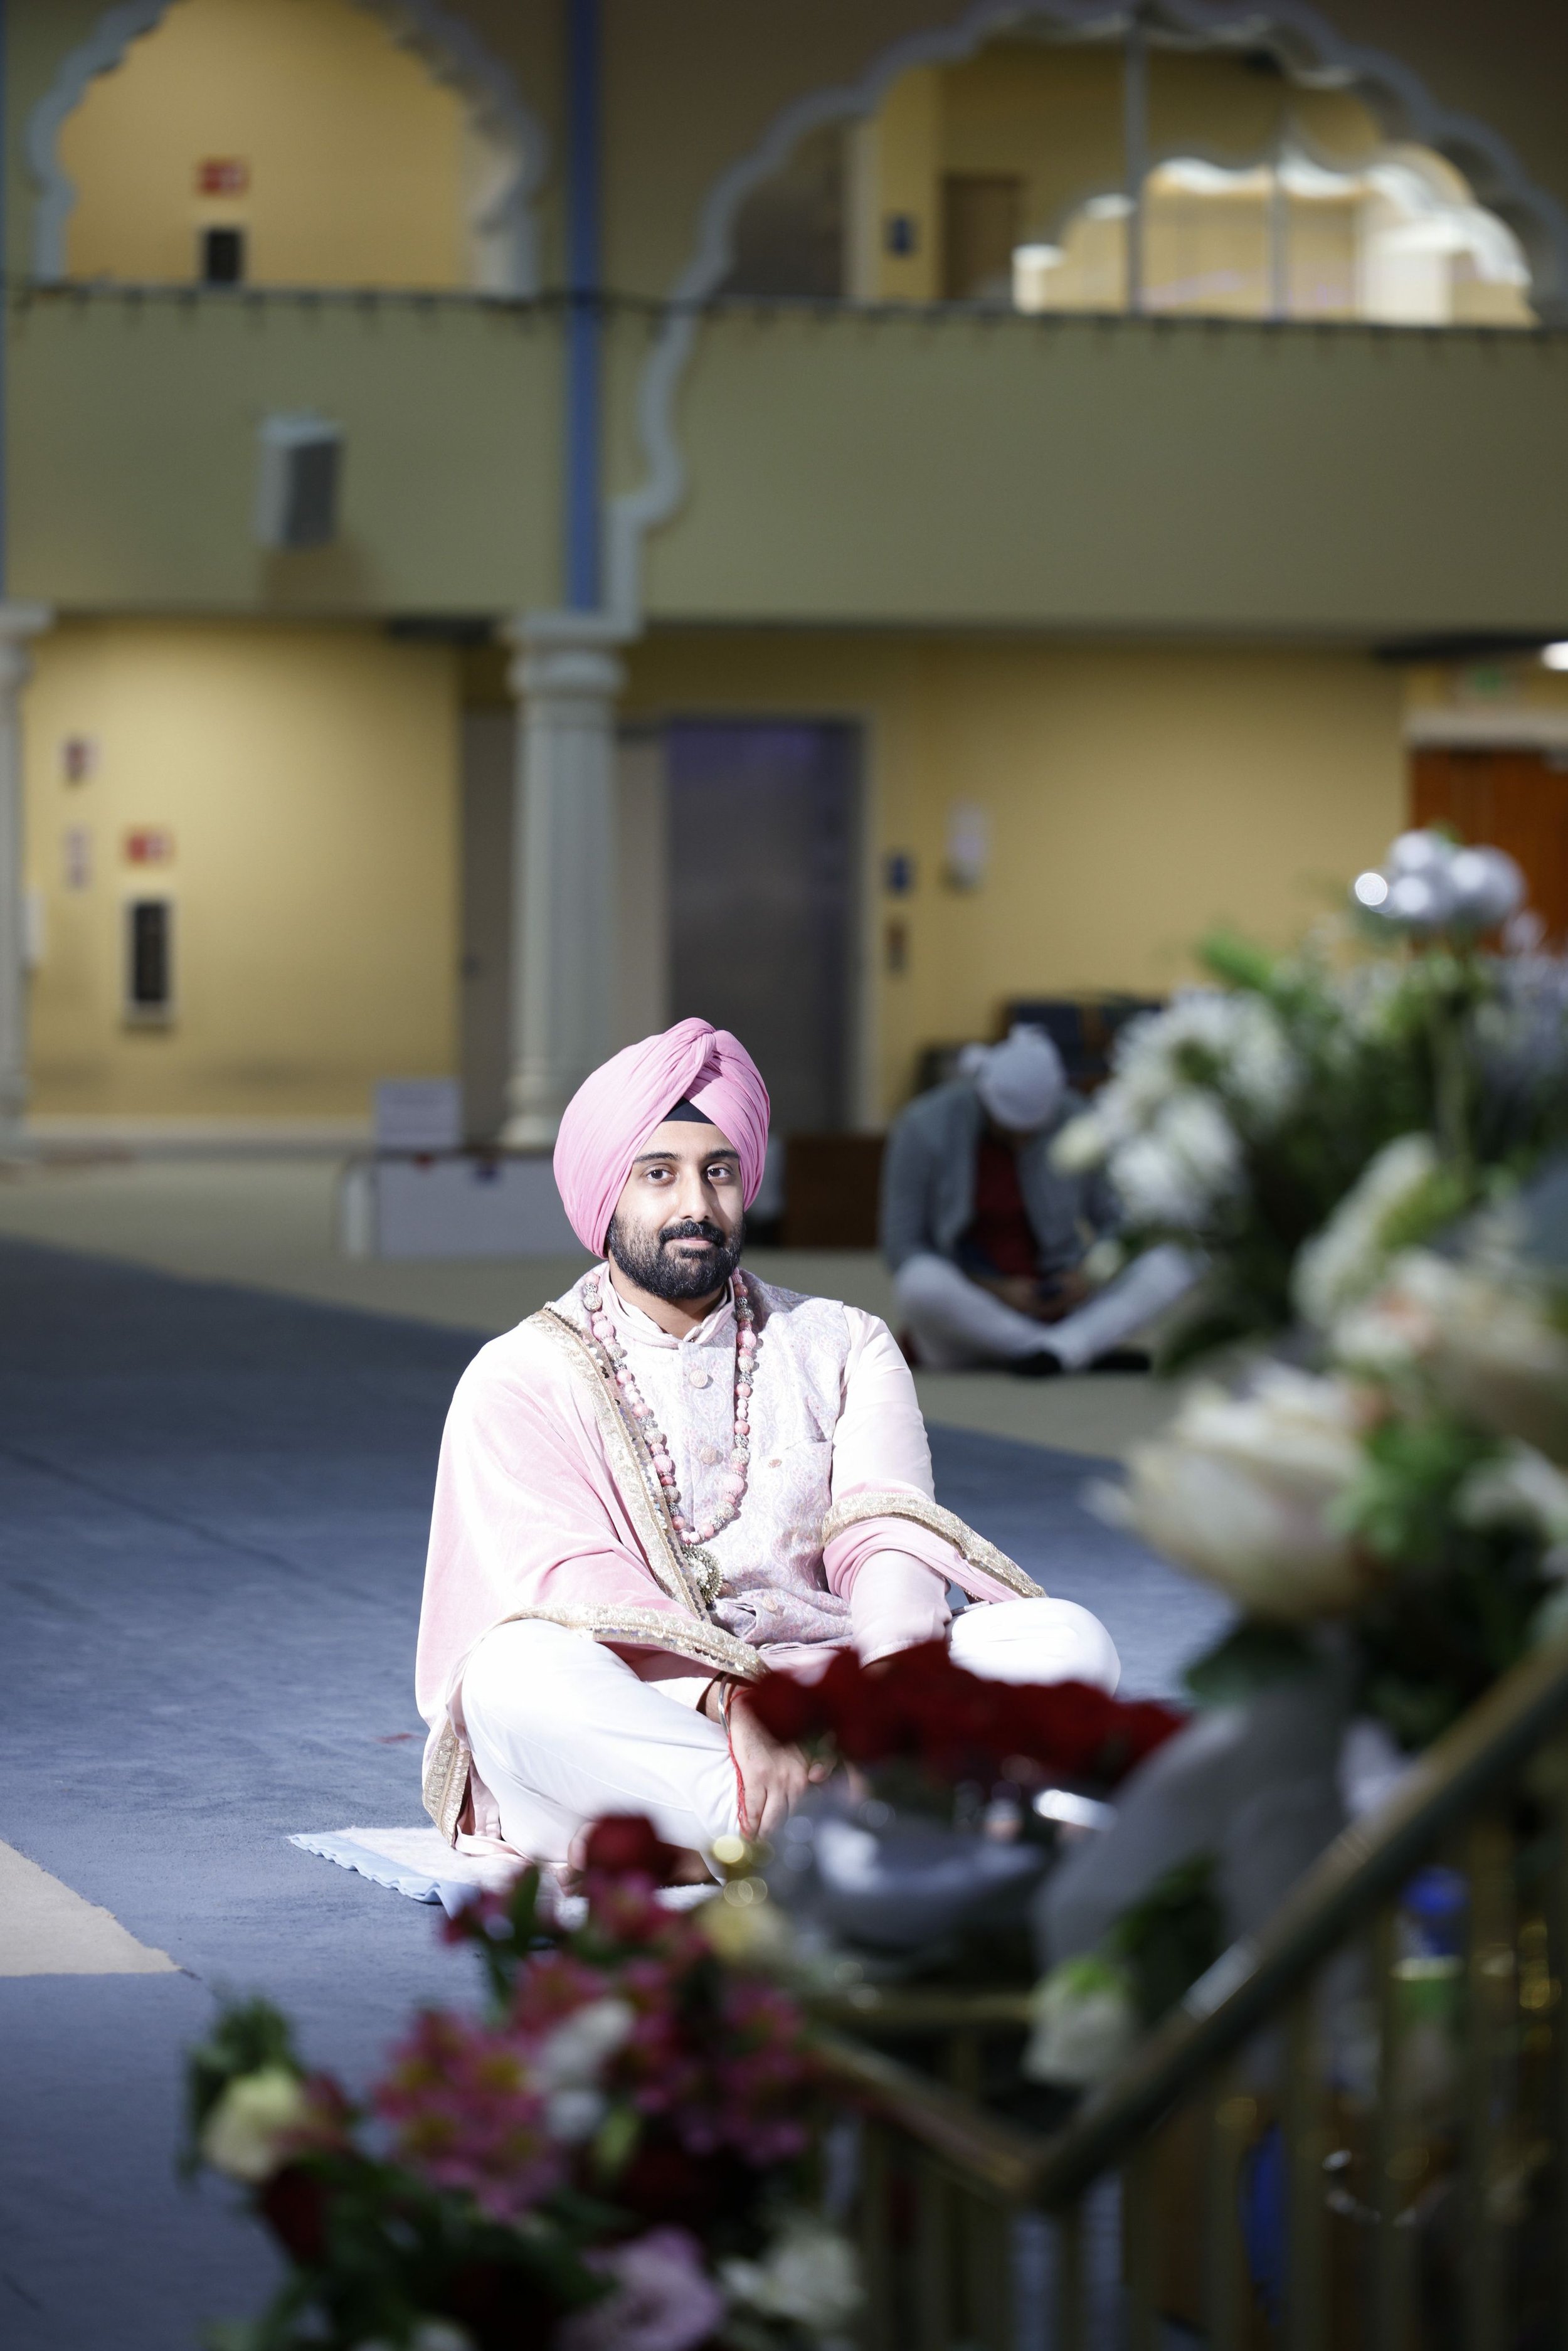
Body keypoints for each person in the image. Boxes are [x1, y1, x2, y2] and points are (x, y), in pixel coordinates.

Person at [416, 1016, 1119, 1872]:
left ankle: (730, 1840)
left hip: (845, 1689)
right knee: (511, 1677)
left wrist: (891, 1693)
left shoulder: (842, 1340)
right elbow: (570, 1585)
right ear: (605, 1191)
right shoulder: (521, 1374)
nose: (696, 1207)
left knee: (1063, 1639)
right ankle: (852, 1823)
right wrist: (729, 1701)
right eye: (658, 1175)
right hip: (663, 1703)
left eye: (720, 1173)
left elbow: (885, 1530)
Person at [881, 1024, 1194, 1374]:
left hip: (1063, 1299)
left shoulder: (1078, 1119)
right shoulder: (923, 1126)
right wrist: (996, 1289)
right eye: (1010, 1129)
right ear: (985, 1097)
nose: (1021, 1142)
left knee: (1172, 1262)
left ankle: (1055, 1349)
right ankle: (1067, 1348)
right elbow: (902, 1245)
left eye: (1033, 1132)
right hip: (968, 1312)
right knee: (918, 1283)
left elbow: (1118, 1221)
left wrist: (1089, 1274)